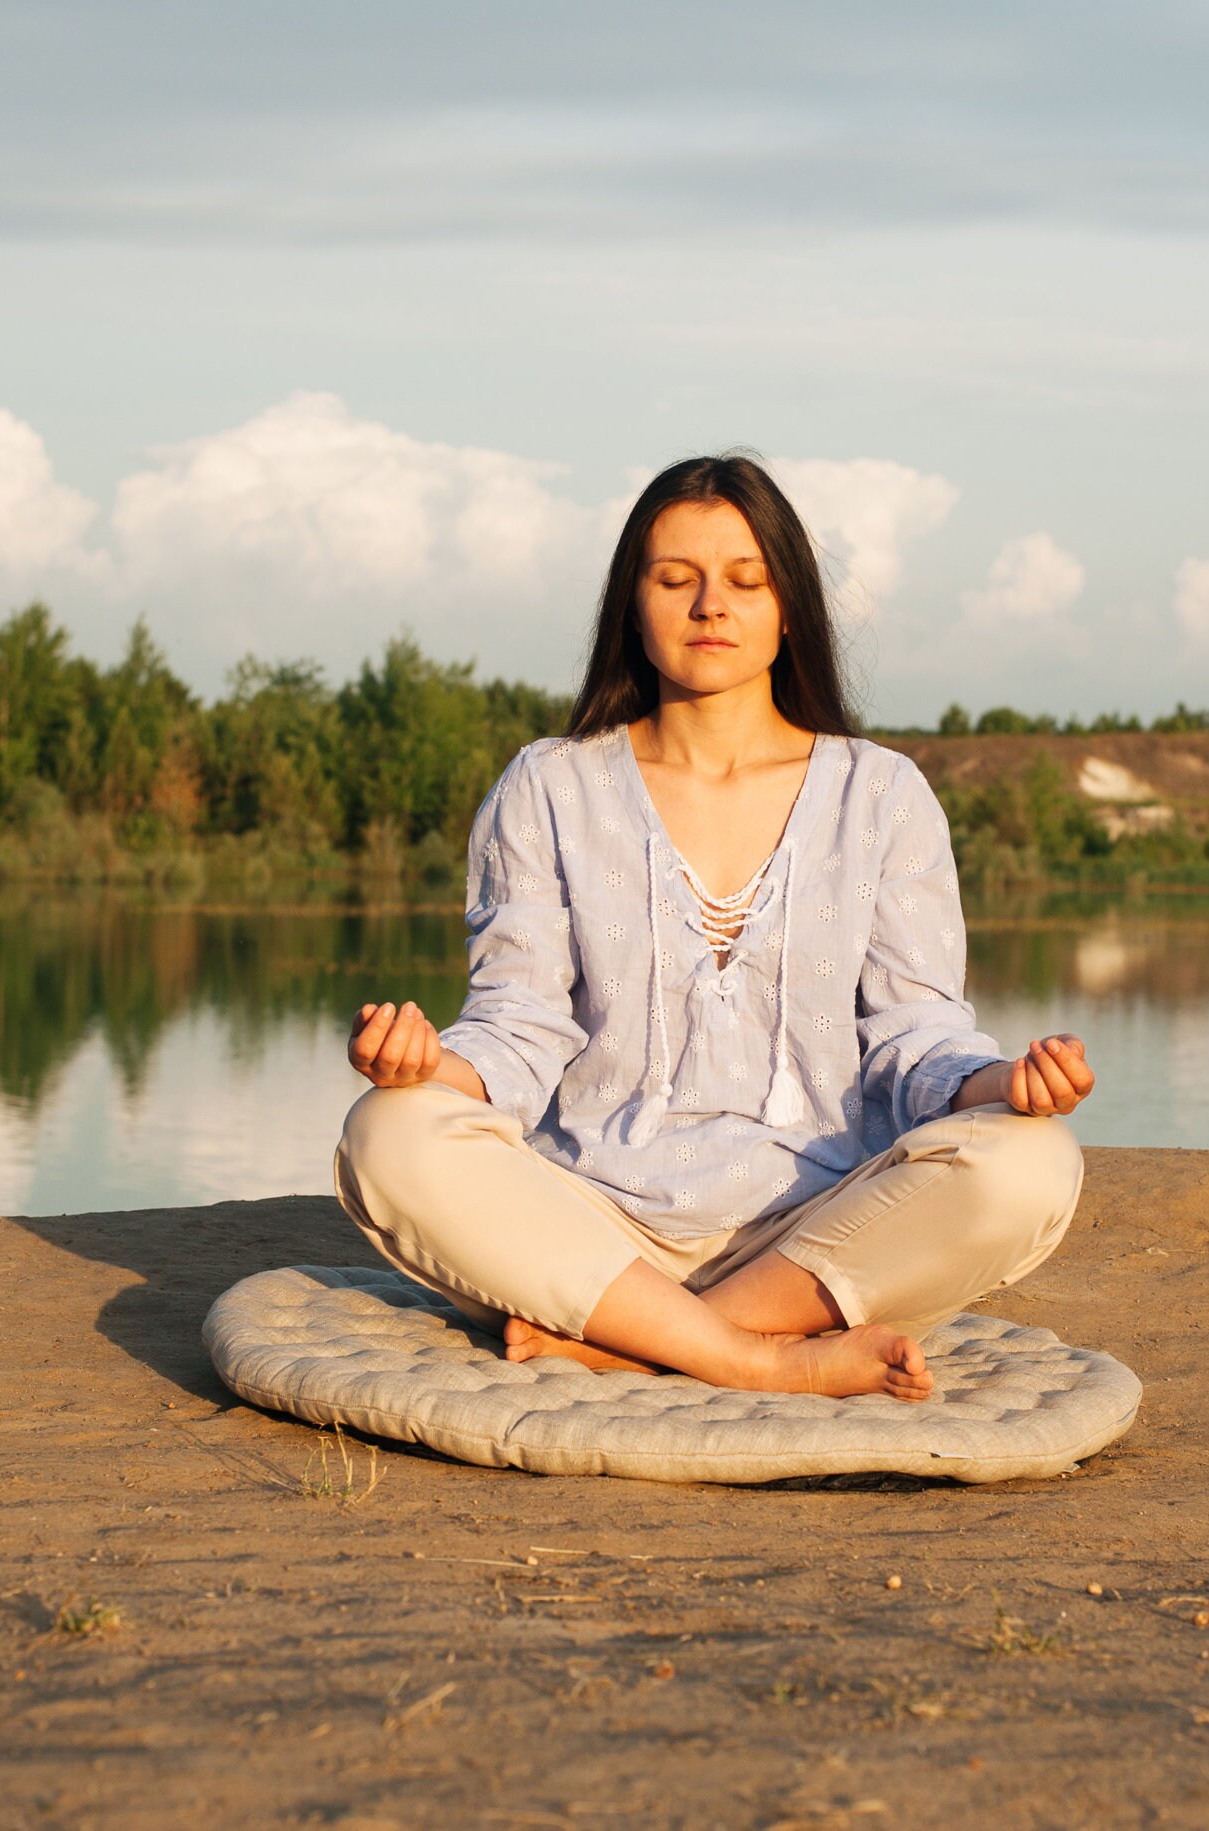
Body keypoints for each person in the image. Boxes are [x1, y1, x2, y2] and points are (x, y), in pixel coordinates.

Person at [333, 454, 1097, 1401]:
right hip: (594, 1224)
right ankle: (756, 1357)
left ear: (789, 608)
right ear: (632, 603)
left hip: (815, 1230)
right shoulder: (548, 786)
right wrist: (424, 1067)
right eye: (675, 579)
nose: (711, 607)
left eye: (746, 580)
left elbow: (917, 1040)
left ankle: (637, 1341)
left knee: (1031, 1163)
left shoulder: (884, 795)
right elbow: (516, 1029)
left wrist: (1006, 1083)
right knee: (388, 1135)